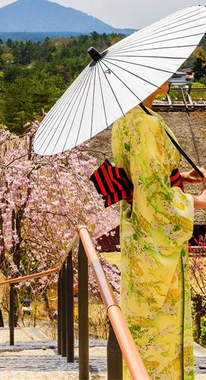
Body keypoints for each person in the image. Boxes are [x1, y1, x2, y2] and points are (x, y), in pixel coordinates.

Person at [111, 80, 206, 380]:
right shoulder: (147, 125)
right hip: (155, 242)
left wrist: (180, 177)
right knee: (161, 332)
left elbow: (142, 178)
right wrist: (197, 202)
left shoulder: (125, 119)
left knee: (141, 326)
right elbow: (153, 196)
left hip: (137, 237)